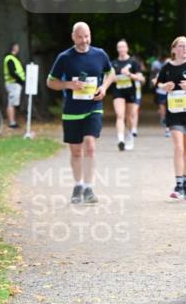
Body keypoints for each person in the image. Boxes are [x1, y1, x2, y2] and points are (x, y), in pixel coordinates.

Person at [46, 22, 115, 204]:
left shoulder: (99, 54)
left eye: (87, 36)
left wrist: (104, 87)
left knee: (90, 146)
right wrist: (68, 84)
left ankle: (89, 187)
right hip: (72, 111)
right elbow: (50, 82)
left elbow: (111, 72)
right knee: (76, 151)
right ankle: (78, 185)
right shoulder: (64, 57)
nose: (84, 41)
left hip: (93, 108)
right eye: (80, 37)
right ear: (73, 37)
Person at [157, 37, 186, 200]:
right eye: (181, 46)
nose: (185, 49)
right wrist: (163, 86)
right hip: (173, 114)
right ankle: (178, 184)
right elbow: (157, 82)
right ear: (174, 49)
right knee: (178, 148)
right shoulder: (166, 67)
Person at [110, 39, 145, 151]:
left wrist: (129, 74)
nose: (121, 49)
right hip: (118, 92)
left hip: (131, 91)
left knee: (129, 117)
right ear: (117, 49)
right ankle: (120, 139)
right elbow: (108, 79)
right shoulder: (113, 63)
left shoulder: (134, 62)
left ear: (127, 48)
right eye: (119, 47)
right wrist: (115, 78)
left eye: (123, 47)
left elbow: (141, 78)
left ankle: (129, 135)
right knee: (120, 115)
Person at [3, 42, 26, 129]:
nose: (18, 49)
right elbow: (12, 72)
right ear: (14, 48)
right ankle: (11, 123)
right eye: (17, 47)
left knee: (12, 103)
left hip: (14, 84)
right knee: (11, 103)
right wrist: (19, 80)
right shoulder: (10, 58)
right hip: (13, 84)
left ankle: (13, 121)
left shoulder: (13, 58)